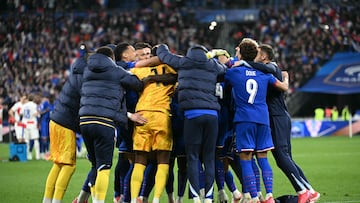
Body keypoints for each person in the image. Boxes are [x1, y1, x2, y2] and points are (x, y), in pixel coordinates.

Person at [157, 43, 227, 203]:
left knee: (193, 157)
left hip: (192, 114)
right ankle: (208, 198)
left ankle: (196, 197)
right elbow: (224, 71)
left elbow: (164, 56)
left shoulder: (183, 62)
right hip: (212, 115)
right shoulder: (213, 65)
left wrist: (162, 47)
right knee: (209, 157)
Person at [253, 43, 320, 203]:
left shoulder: (270, 67)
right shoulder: (271, 69)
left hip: (277, 117)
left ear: (263, 56)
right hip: (280, 116)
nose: (254, 57)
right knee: (286, 158)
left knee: (282, 158)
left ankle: (303, 191)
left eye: (257, 53)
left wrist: (242, 62)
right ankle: (310, 191)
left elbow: (262, 67)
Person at [224, 38, 289, 203]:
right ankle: (269, 196)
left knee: (245, 158)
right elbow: (283, 87)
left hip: (244, 119)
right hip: (263, 118)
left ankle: (253, 197)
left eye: (238, 51)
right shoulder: (265, 73)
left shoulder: (233, 72)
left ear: (241, 54)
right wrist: (286, 77)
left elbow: (223, 75)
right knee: (263, 158)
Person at [79, 46, 145, 203]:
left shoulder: (88, 70)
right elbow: (137, 84)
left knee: (95, 164)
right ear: (112, 58)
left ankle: (83, 198)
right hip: (104, 122)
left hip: (84, 120)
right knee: (104, 167)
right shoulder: (116, 70)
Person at [129, 45, 178, 203]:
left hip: (142, 114)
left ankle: (133, 198)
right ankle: (156, 199)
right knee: (163, 161)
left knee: (140, 160)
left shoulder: (138, 71)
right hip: (161, 115)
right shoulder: (172, 70)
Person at [42, 45, 88, 203]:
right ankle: (56, 201)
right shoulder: (83, 79)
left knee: (58, 164)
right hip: (65, 123)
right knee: (69, 165)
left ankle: (47, 200)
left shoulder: (75, 74)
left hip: (56, 120)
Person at [21, 93, 41, 160]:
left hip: (25, 124)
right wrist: (39, 113)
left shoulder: (24, 105)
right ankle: (38, 156)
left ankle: (28, 156)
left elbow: (21, 113)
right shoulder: (34, 105)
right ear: (33, 99)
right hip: (32, 123)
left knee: (27, 140)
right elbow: (35, 114)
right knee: (35, 139)